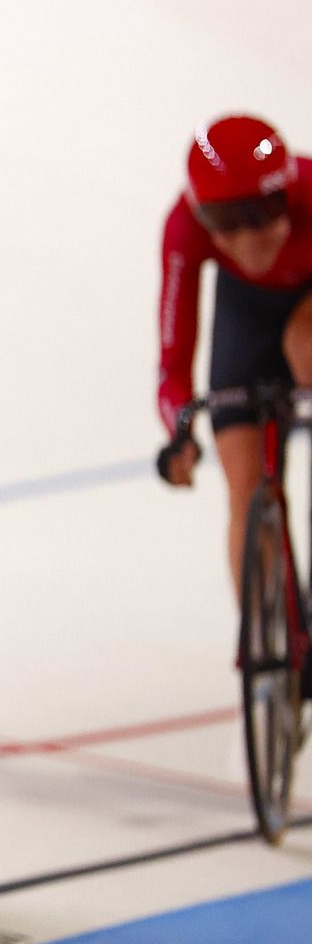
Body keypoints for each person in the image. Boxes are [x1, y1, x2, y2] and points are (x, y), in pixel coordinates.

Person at [155, 114, 311, 590]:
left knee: (304, 345)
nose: (246, 238)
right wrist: (180, 432)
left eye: (261, 214)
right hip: (246, 316)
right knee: (244, 485)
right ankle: (261, 633)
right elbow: (173, 358)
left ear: (287, 196)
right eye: (224, 222)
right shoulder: (183, 227)